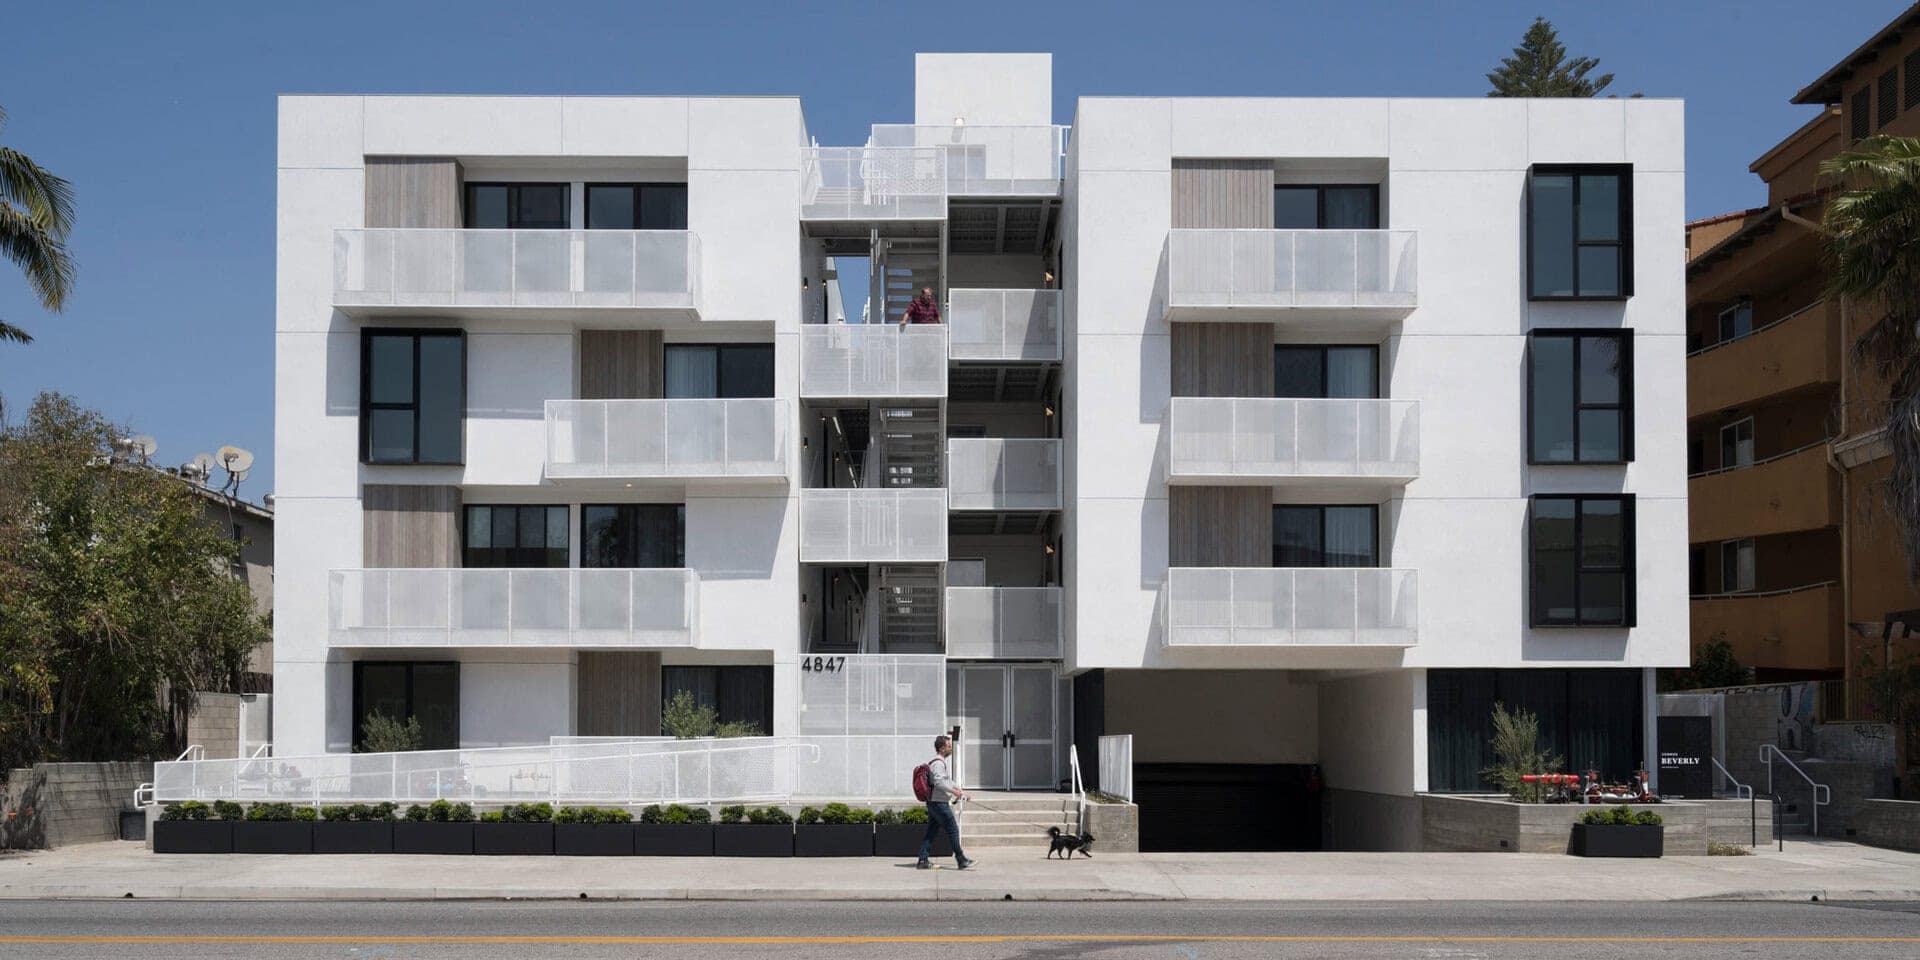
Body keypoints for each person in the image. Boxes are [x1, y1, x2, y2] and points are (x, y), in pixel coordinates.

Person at [918, 734, 973, 869]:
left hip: (934, 802)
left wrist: (959, 791)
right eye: (948, 746)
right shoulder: (938, 763)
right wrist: (955, 792)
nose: (950, 749)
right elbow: (938, 782)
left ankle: (922, 860)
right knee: (953, 830)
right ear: (942, 748)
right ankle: (961, 859)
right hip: (939, 803)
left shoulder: (939, 763)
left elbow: (946, 781)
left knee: (931, 832)